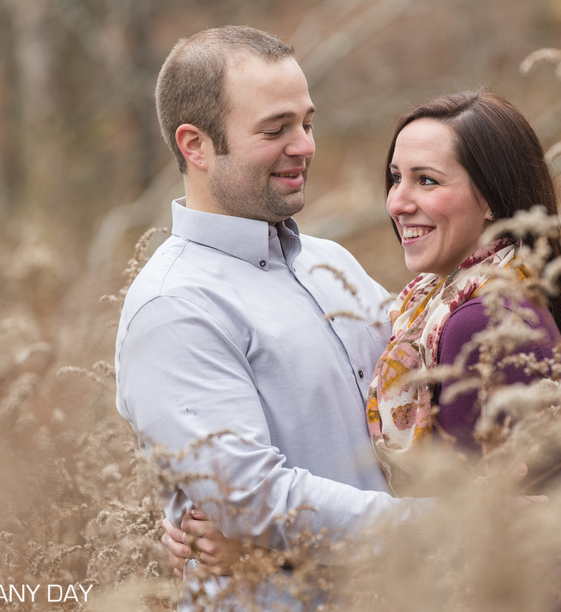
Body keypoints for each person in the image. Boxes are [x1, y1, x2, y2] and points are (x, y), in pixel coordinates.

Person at [167, 89, 561, 611]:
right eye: (396, 178)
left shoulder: (480, 325)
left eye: (427, 180)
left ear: (490, 197)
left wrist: (262, 553)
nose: (398, 201)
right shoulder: (435, 309)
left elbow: (476, 540)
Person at [115, 25, 427, 610]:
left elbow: (432, 385)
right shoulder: (174, 308)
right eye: (275, 129)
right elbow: (255, 502)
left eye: (307, 123)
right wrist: (441, 529)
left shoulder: (332, 264)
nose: (305, 145)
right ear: (196, 145)